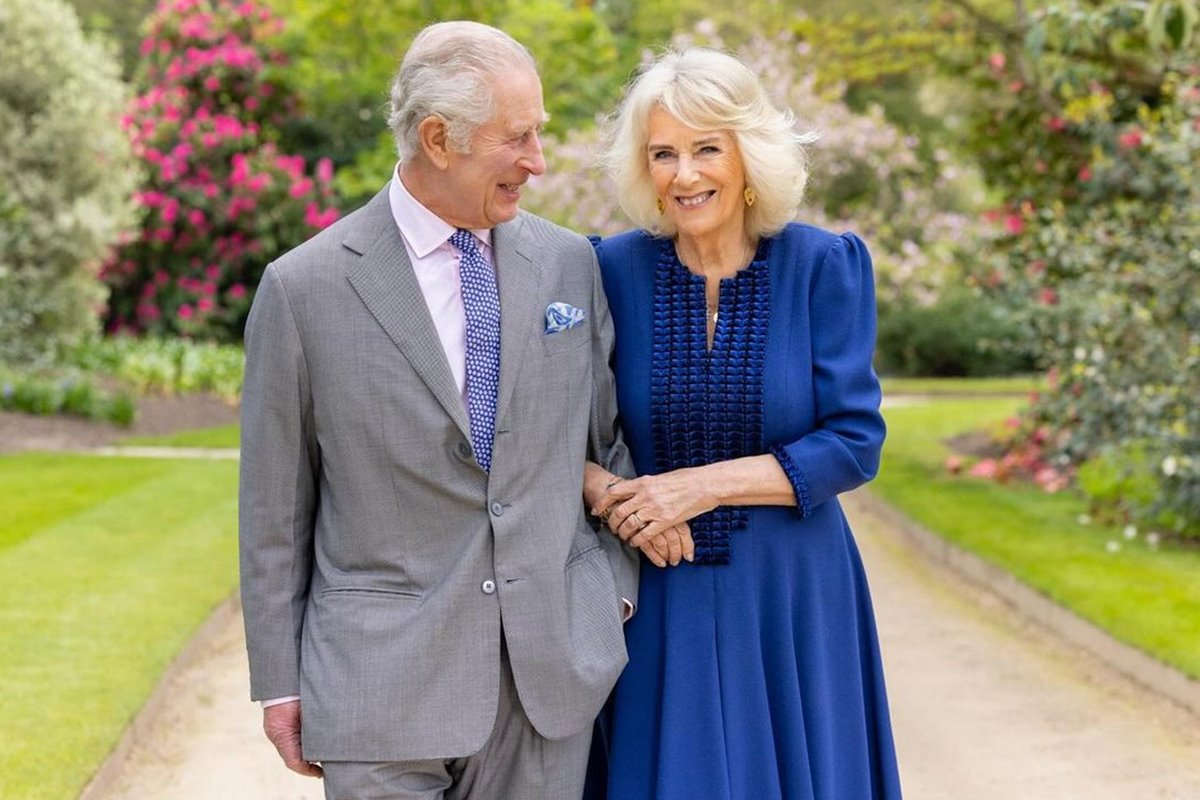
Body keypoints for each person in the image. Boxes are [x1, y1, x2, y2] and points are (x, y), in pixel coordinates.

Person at [239, 21, 686, 799]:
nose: (538, 162)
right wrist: (279, 681)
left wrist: (604, 597)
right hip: (377, 692)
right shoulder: (302, 290)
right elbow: (275, 509)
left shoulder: (568, 265)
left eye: (538, 134)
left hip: (546, 681)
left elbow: (607, 444)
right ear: (438, 138)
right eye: (518, 138)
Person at [583, 48, 903, 799]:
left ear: (748, 156)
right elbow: (551, 429)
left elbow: (855, 443)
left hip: (795, 595)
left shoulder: (826, 265)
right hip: (658, 589)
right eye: (663, 154)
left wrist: (694, 488)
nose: (684, 175)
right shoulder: (606, 271)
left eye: (705, 149)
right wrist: (614, 497)